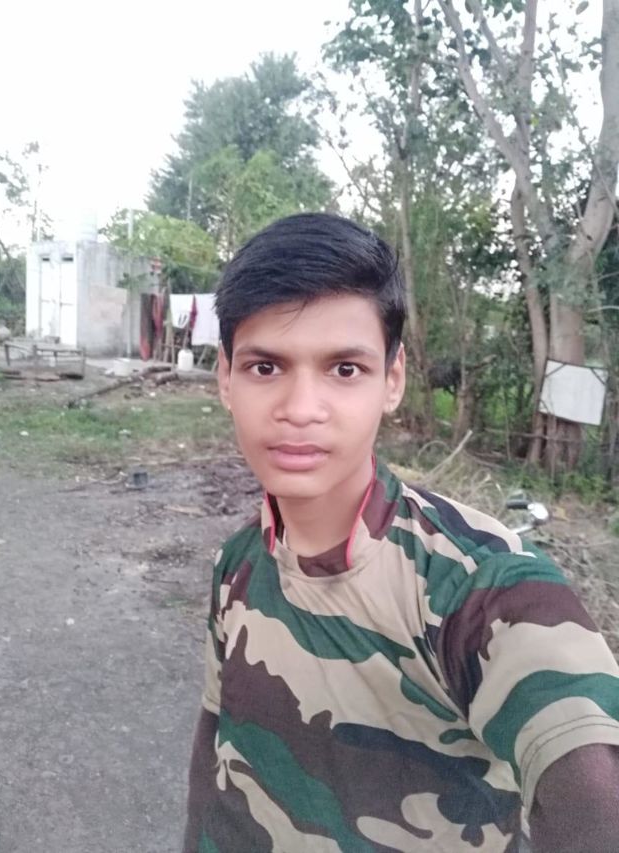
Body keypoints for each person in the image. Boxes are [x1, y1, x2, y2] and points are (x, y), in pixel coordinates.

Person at [182, 213, 619, 853]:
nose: (300, 409)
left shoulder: (477, 585)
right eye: (266, 367)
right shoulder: (239, 561)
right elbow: (215, 741)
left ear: (393, 380)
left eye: (344, 369)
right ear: (225, 378)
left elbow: (588, 782)